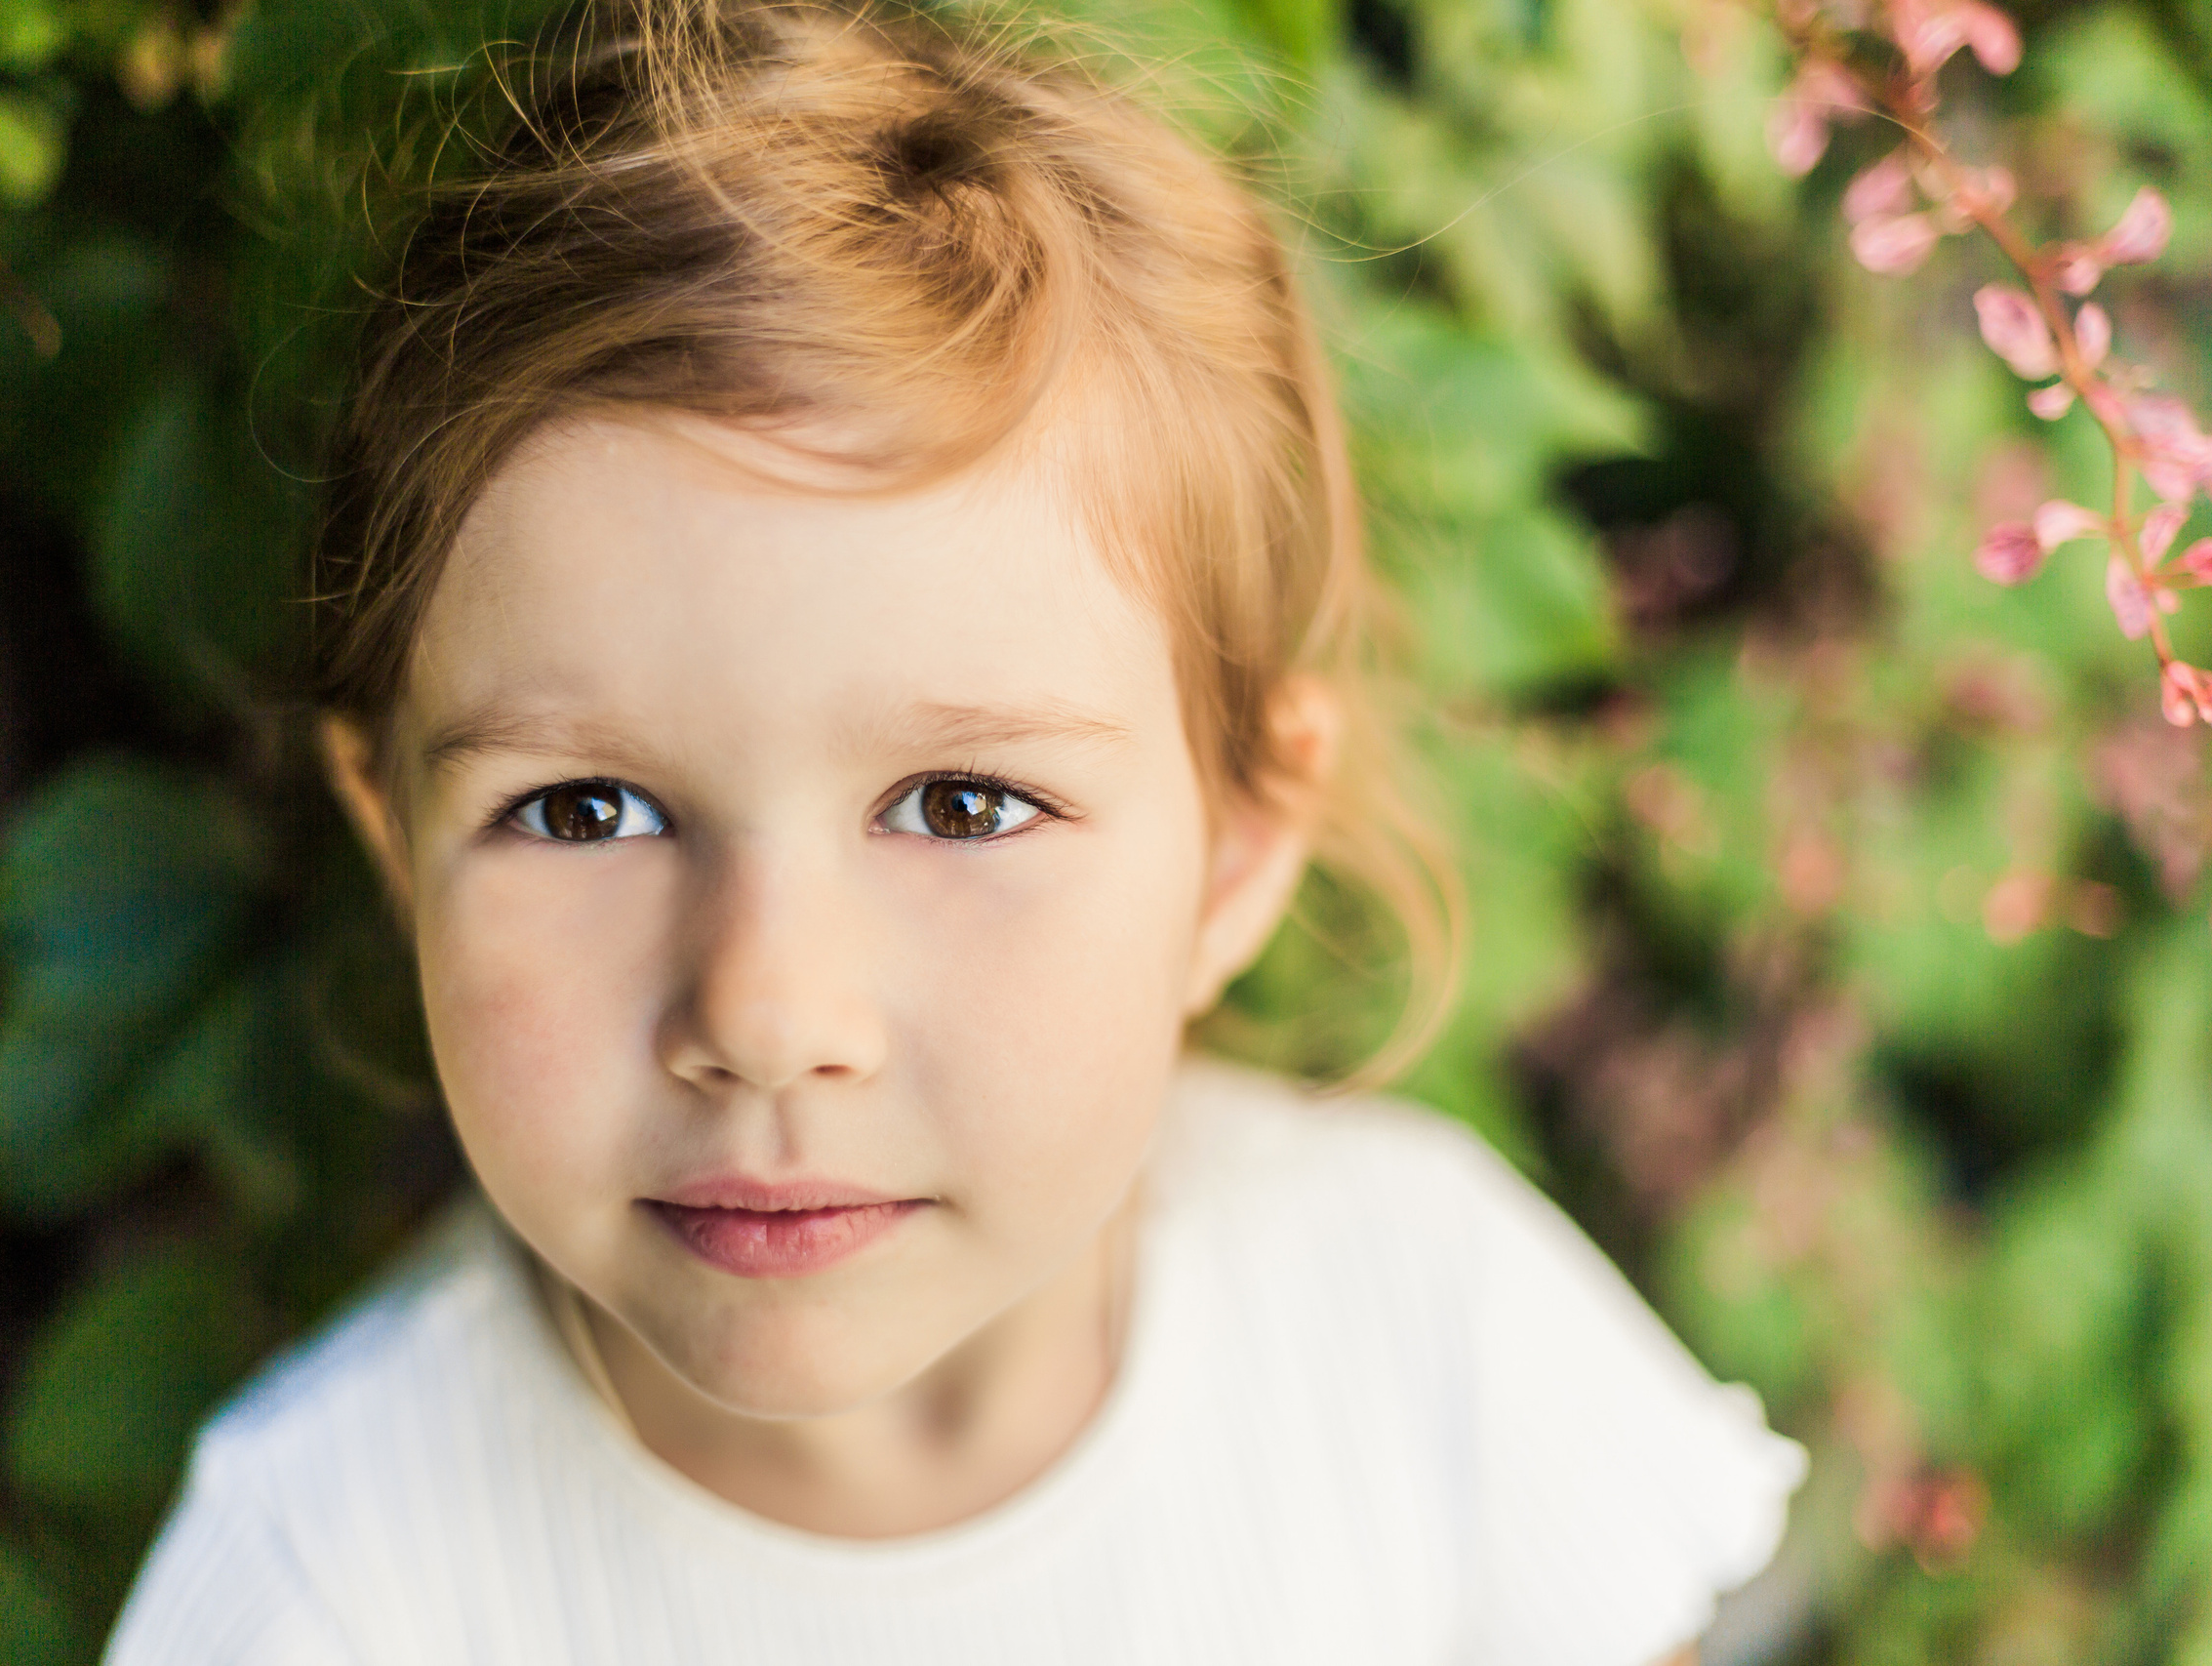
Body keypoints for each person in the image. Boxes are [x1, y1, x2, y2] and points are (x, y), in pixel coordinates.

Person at [104, 1, 1805, 1659]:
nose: (767, 1014)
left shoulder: (1421, 1337)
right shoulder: (330, 1585)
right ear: (396, 840)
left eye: (963, 804)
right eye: (584, 809)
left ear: (1235, 843)